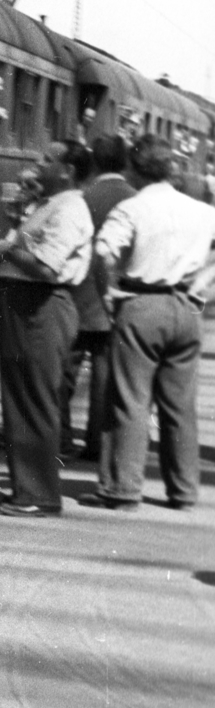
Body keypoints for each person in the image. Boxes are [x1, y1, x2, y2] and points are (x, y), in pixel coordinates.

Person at [92, 133, 215, 511]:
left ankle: (123, 489)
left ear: (133, 169)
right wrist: (203, 285)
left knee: (130, 400)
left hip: (141, 305)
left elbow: (102, 253)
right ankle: (183, 491)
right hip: (187, 307)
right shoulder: (203, 211)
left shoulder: (132, 208)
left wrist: (108, 294)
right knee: (180, 405)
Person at [0, 140, 94, 516]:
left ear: (67, 171)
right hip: (26, 306)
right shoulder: (51, 204)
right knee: (20, 398)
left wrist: (6, 248)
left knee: (33, 400)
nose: (39, 163)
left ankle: (38, 495)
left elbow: (47, 266)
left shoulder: (69, 209)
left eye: (48, 159)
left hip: (42, 307)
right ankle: (27, 491)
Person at [60, 134, 135, 461]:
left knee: (63, 374)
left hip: (76, 296)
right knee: (105, 378)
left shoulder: (80, 197)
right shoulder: (135, 200)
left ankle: (60, 438)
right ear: (125, 161)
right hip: (113, 301)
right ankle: (96, 443)